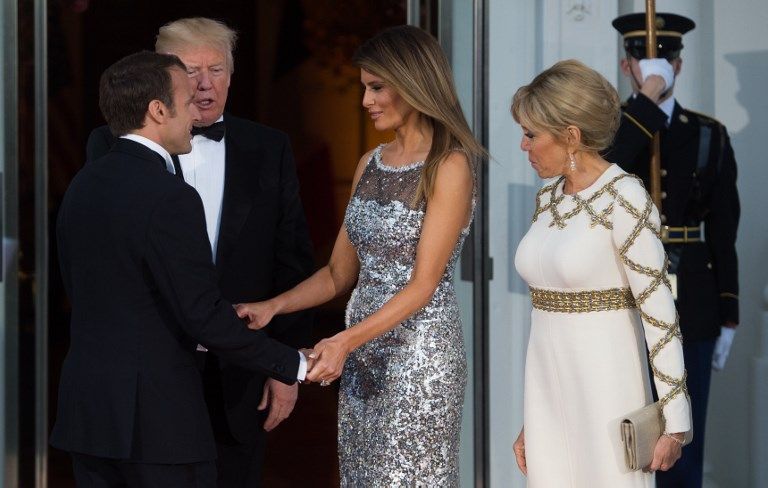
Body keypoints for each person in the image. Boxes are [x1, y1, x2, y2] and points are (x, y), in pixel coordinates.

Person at [236, 25, 484, 485]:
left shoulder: (450, 165)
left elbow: (424, 284)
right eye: (364, 88)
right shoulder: (369, 163)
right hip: (362, 358)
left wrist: (343, 342)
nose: (366, 101)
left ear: (412, 83)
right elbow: (336, 275)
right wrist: (273, 306)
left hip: (420, 359)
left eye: (376, 87)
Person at [51, 51, 312, 488]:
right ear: (158, 110)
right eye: (188, 100)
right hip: (158, 427)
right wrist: (294, 363)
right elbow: (200, 314)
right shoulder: (171, 195)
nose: (198, 110)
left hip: (91, 417)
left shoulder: (83, 183)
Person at [510, 59, 692, 487]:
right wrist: (529, 420)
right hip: (547, 396)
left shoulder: (625, 197)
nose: (524, 146)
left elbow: (659, 314)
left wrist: (675, 423)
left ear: (570, 136)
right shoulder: (548, 198)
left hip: (608, 391)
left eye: (531, 134)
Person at [607, 13, 740, 487]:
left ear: (679, 65)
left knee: (683, 433)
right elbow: (604, 179)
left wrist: (729, 310)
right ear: (628, 67)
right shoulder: (609, 131)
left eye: (665, 57)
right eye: (644, 59)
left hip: (694, 295)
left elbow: (724, 227)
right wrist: (643, 107)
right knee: (624, 430)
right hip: (623, 293)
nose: (656, 67)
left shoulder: (707, 133)